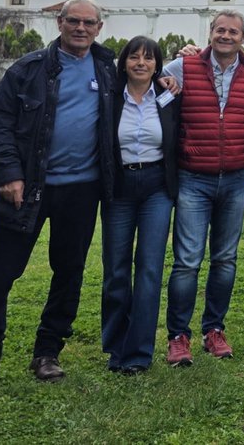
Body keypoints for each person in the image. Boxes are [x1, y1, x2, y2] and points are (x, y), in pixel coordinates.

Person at [0, 0, 116, 388]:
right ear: (59, 23)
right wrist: (8, 174)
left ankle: (47, 353)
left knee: (68, 274)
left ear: (100, 27)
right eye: (73, 21)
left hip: (82, 191)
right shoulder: (28, 69)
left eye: (88, 23)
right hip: (25, 189)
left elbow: (146, 83)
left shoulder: (108, 69)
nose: (80, 28)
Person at [162, 10, 244, 365]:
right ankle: (178, 336)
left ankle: (214, 330)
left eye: (233, 31)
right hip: (193, 177)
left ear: (243, 38)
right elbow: (147, 85)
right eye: (220, 30)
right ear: (210, 33)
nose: (226, 36)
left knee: (225, 259)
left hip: (235, 176)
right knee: (187, 261)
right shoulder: (181, 68)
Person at [101, 35, 179, 374]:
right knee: (116, 268)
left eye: (149, 58)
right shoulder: (108, 96)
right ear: (124, 62)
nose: (141, 63)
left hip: (155, 187)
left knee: (149, 268)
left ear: (157, 64)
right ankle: (117, 346)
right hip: (118, 186)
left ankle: (139, 353)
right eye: (134, 56)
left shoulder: (168, 96)